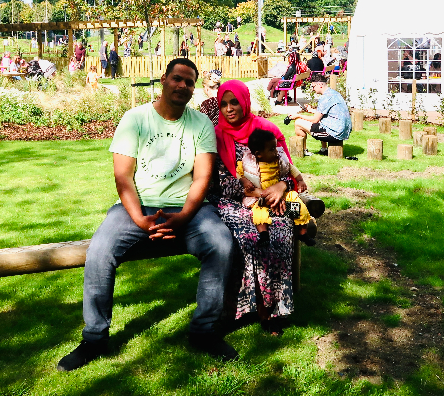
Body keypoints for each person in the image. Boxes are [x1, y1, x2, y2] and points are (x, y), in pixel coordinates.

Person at [58, 58, 236, 371]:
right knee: (99, 251)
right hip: (137, 207)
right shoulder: (135, 119)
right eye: (177, 79)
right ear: (164, 80)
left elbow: (201, 178)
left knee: (221, 244)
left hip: (188, 209)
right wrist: (140, 218)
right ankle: (94, 339)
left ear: (194, 89)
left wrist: (183, 217)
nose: (183, 86)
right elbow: (123, 177)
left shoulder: (200, 124)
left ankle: (203, 332)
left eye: (189, 82)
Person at [210, 80, 306, 334]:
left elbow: (287, 168)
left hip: (272, 197)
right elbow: (219, 182)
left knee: (281, 228)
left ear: (245, 102)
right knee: (248, 236)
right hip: (231, 201)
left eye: (234, 102)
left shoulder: (266, 129)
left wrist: (282, 187)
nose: (229, 109)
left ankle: (274, 310)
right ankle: (242, 308)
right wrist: (253, 192)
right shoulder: (215, 135)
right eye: (224, 104)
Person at [237, 129, 316, 247]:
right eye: (272, 149)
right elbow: (238, 173)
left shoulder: (279, 160)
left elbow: (291, 168)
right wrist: (244, 181)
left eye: (275, 147)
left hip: (282, 194)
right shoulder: (248, 162)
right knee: (258, 212)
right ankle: (263, 234)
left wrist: (300, 180)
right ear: (258, 154)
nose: (276, 151)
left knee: (298, 205)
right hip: (260, 198)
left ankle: (303, 233)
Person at [290, 74, 352, 156]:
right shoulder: (334, 93)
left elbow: (315, 120)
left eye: (313, 86)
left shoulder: (325, 97)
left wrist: (298, 116)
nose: (313, 89)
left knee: (298, 123)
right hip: (343, 131)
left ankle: (304, 151)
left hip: (334, 133)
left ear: (320, 85)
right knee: (322, 120)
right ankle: (324, 149)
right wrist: (312, 110)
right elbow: (328, 112)